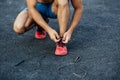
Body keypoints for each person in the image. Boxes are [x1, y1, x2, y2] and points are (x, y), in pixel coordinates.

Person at [13, 0, 83, 56]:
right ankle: (41, 25)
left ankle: (61, 40)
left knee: (63, 1)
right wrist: (49, 30)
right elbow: (32, 9)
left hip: (56, 8)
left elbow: (78, 8)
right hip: (38, 8)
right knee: (19, 28)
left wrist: (70, 31)